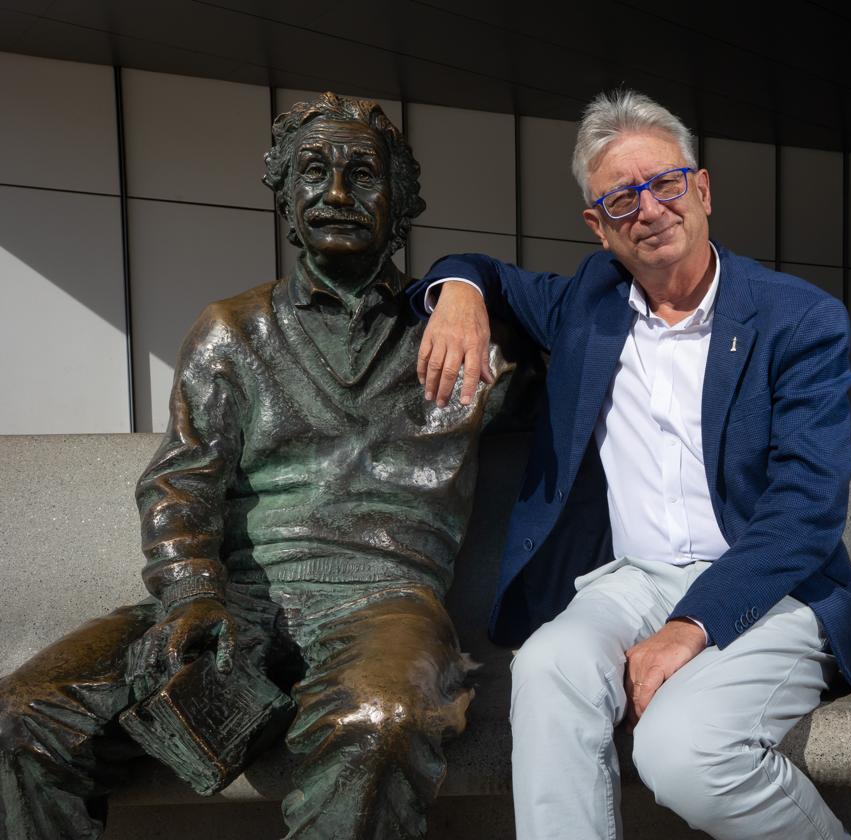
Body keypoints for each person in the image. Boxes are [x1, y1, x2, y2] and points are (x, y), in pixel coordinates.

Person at [0, 92, 512, 840]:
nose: (335, 195)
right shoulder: (232, 330)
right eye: (312, 172)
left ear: (403, 201)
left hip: (383, 603)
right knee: (24, 713)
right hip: (235, 598)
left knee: (379, 720)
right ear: (284, 192)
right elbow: (180, 484)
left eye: (363, 176)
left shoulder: (460, 343)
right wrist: (192, 593)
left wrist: (470, 287)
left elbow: (589, 335)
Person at [415, 89, 851, 840]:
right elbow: (479, 268)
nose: (649, 208)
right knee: (547, 668)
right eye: (621, 197)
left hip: (771, 586)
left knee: (684, 754)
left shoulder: (796, 317)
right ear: (598, 227)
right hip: (631, 579)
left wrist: (691, 625)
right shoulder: (588, 305)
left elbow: (806, 511)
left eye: (665, 183)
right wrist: (460, 295)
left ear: (701, 190)